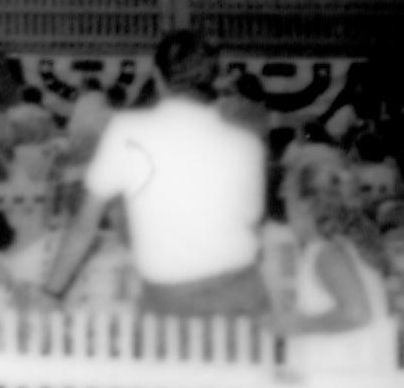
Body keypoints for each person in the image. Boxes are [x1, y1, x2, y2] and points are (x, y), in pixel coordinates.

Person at [44, 28, 270, 317]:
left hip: (172, 303)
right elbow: (251, 225)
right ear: (212, 79)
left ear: (157, 77)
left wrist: (50, 294)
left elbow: (83, 228)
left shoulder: (126, 130)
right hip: (245, 298)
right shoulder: (245, 141)